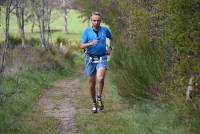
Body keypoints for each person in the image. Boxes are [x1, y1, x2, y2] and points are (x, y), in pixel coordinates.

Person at [80, 11, 113, 113]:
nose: (96, 22)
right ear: (91, 21)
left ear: (100, 21)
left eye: (98, 20)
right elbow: (81, 45)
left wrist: (110, 48)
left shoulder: (105, 30)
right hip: (90, 59)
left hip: (102, 57)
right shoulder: (87, 31)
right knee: (91, 85)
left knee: (100, 77)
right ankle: (94, 103)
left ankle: (99, 98)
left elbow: (111, 38)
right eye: (94, 20)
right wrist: (90, 43)